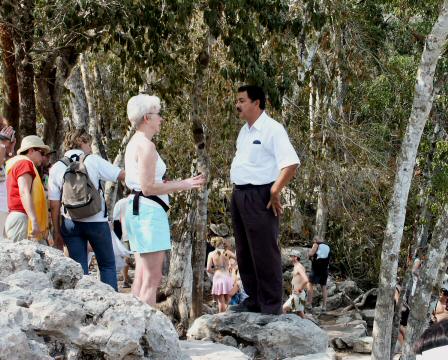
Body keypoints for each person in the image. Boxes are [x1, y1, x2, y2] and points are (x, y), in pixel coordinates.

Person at [124, 94, 205, 306]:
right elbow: (149, 187)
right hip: (149, 213)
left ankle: (133, 325)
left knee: (142, 276)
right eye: (158, 114)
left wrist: (165, 183)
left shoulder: (135, 143)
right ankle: (146, 331)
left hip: (137, 210)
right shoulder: (146, 146)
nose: (161, 119)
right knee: (152, 279)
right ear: (147, 118)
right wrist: (185, 183)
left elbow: (145, 182)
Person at [229, 85, 300, 315]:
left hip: (260, 196)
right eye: (237, 101)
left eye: (242, 100)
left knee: (264, 251)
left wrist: (275, 190)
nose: (237, 105)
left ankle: (270, 304)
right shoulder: (243, 131)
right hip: (240, 194)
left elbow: (291, 163)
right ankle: (255, 299)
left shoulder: (272, 129)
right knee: (244, 251)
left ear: (256, 102)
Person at [48, 129, 125, 291]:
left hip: (70, 223)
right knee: (107, 265)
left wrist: (57, 232)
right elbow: (120, 175)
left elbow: (54, 204)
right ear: (82, 142)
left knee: (79, 269)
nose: (90, 148)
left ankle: (82, 303)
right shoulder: (93, 160)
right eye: (89, 144)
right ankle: (111, 306)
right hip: (96, 222)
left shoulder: (56, 167)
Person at [4, 135, 50, 243]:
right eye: (41, 152)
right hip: (20, 218)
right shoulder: (25, 164)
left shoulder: (14, 163)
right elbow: (24, 191)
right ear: (31, 150)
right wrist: (34, 220)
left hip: (15, 217)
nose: (43, 157)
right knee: (16, 259)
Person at [207, 238, 235, 312]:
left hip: (218, 276)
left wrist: (215, 271)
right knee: (228, 298)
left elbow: (208, 269)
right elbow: (237, 258)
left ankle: (220, 317)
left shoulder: (211, 254)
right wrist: (231, 266)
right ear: (222, 243)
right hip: (227, 276)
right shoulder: (227, 252)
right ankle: (228, 315)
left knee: (220, 301)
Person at [0, 117, 16, 239]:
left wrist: (10, 150)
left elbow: (12, 169)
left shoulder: (4, 152)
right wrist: (2, 143)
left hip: (8, 208)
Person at [307, 235, 331, 311]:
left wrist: (310, 255)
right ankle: (324, 306)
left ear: (315, 240)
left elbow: (310, 254)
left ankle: (309, 304)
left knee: (310, 285)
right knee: (323, 287)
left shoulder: (316, 244)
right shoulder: (328, 246)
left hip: (316, 269)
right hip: (325, 269)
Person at [283, 250, 309, 318]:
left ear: (295, 257)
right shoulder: (296, 266)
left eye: (291, 256)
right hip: (297, 294)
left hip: (298, 294)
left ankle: (283, 327)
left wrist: (299, 289)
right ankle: (308, 327)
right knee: (299, 312)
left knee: (283, 308)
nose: (289, 258)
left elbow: (306, 280)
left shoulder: (299, 267)